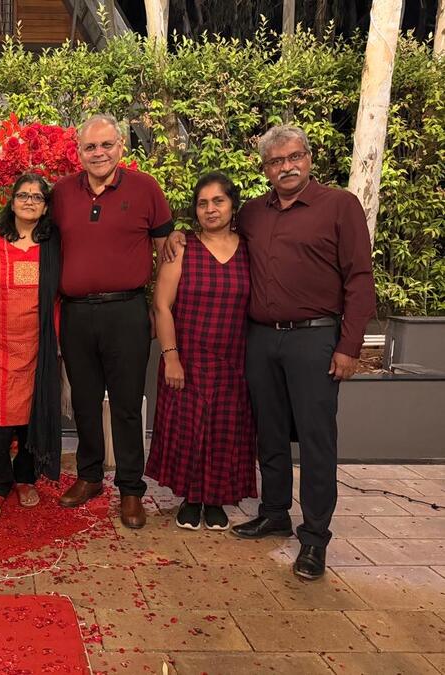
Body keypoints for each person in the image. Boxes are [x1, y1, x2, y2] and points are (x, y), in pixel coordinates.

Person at [166, 125, 375, 579]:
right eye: (276, 161)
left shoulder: (339, 206)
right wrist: (177, 236)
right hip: (259, 339)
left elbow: (360, 279)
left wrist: (349, 345)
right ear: (265, 169)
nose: (287, 166)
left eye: (294, 156)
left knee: (317, 440)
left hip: (315, 338)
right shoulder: (254, 214)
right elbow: (212, 230)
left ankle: (315, 538)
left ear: (309, 157)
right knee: (270, 432)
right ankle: (275, 511)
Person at [0, 114, 173, 529]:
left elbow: (167, 247)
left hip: (126, 310)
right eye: (89, 147)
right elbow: (26, 223)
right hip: (77, 312)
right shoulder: (62, 192)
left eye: (106, 145)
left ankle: (131, 489)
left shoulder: (145, 188)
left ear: (121, 147)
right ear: (78, 151)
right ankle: (89, 476)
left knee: (126, 405)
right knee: (82, 402)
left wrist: (159, 306)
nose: (98, 153)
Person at [146, 172, 257, 532]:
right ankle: (191, 498)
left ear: (232, 204)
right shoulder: (182, 248)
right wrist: (171, 356)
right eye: (203, 203)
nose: (210, 209)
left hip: (234, 360)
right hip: (188, 356)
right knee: (188, 429)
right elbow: (161, 305)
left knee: (227, 430)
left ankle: (216, 500)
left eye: (218, 201)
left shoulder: (250, 249)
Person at [0, 173, 62, 520]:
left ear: (45, 207)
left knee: (30, 415)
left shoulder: (54, 245)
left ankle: (25, 477)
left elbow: (58, 297)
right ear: (11, 202)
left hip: (38, 345)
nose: (29, 201)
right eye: (23, 195)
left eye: (37, 197)